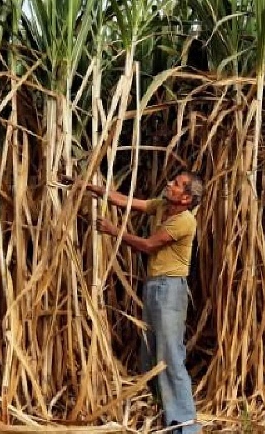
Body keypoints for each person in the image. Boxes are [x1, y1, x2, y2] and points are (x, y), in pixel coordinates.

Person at [71, 171, 204, 434]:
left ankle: (187, 426)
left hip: (171, 289)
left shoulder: (184, 221)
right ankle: (163, 413)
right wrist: (90, 187)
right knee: (151, 351)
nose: (168, 183)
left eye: (176, 184)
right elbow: (129, 202)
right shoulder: (163, 206)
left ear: (186, 198)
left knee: (171, 355)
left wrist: (113, 231)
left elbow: (148, 245)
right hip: (155, 285)